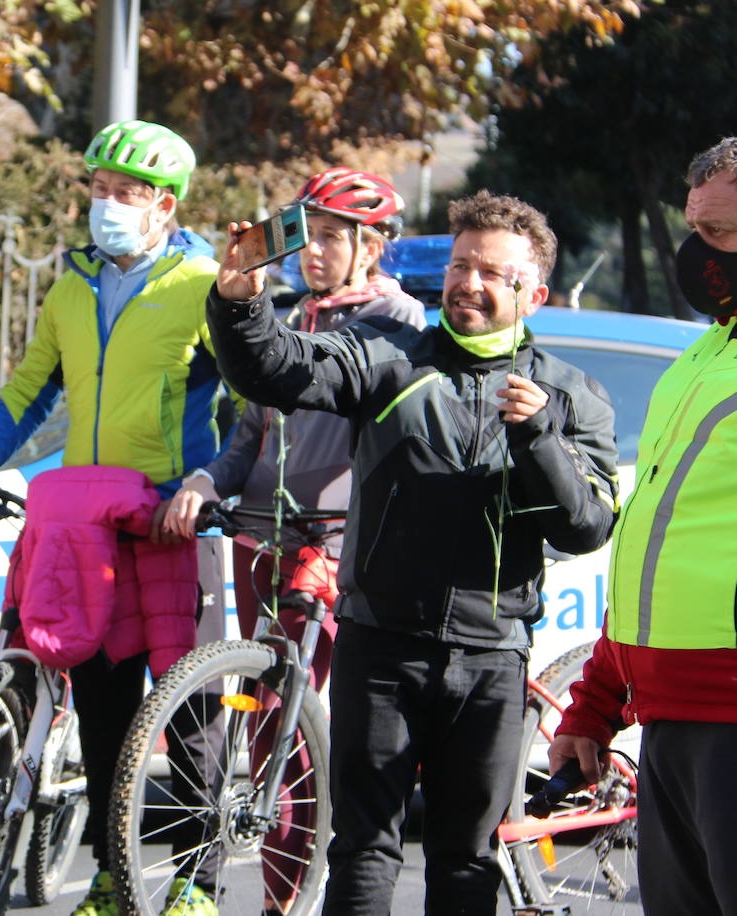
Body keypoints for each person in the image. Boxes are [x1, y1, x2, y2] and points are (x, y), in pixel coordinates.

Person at [206, 189, 619, 915]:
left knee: (466, 858)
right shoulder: (392, 355)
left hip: (492, 659)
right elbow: (276, 369)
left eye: (495, 273)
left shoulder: (569, 394)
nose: (470, 283)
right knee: (364, 847)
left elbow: (584, 527)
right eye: (463, 266)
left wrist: (539, 438)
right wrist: (240, 299)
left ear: (536, 293)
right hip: (382, 645)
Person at [0, 118, 230, 916]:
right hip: (86, 529)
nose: (106, 206)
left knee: (188, 708)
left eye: (125, 194)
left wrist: (205, 481)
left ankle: (198, 879)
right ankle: (109, 871)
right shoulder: (73, 286)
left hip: (170, 524)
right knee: (103, 709)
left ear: (164, 205)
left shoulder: (201, 285)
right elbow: (31, 389)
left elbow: (247, 406)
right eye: (98, 191)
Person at [163, 167, 426, 914]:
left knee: (308, 740)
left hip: (341, 547)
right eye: (306, 235)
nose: (313, 252)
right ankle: (281, 893)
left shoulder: (397, 322)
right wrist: (208, 481)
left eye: (334, 237)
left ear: (372, 247)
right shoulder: (291, 315)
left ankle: (294, 900)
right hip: (262, 536)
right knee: (272, 726)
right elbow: (248, 432)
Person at [547, 137, 737, 915]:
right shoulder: (701, 357)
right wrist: (596, 702)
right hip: (670, 723)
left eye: (721, 233)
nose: (699, 253)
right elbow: (653, 554)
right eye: (694, 228)